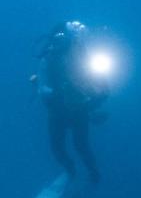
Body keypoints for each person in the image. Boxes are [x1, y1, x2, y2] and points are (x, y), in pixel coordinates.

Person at [31, 21, 108, 182]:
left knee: (81, 146)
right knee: (58, 148)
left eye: (63, 38)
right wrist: (54, 93)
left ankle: (93, 174)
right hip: (57, 110)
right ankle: (71, 170)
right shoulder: (48, 59)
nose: (60, 42)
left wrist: (97, 97)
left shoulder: (80, 56)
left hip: (78, 108)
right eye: (57, 39)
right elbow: (42, 87)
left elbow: (98, 81)